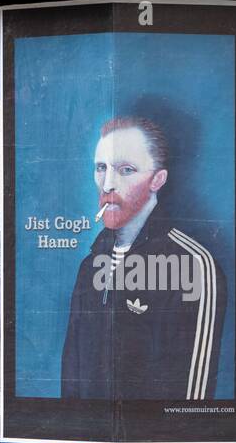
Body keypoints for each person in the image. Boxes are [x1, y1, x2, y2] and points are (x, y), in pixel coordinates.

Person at [61, 116, 227, 401]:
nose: (108, 184)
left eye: (126, 170)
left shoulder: (192, 266)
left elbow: (192, 401)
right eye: (101, 168)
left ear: (157, 179)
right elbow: (72, 381)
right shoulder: (90, 266)